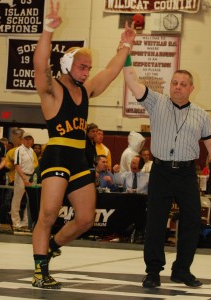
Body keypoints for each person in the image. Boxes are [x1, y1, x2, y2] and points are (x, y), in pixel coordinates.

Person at [32, 0, 136, 289]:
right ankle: (40, 272)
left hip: (79, 156)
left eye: (88, 67)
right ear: (66, 64)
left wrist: (125, 47)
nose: (87, 71)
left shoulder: (86, 90)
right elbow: (40, 66)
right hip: (56, 154)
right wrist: (47, 31)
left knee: (87, 219)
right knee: (49, 213)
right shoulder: (52, 90)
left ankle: (50, 245)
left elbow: (110, 72)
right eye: (82, 66)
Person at [124, 57, 211, 288]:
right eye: (174, 82)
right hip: (161, 171)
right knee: (155, 222)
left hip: (186, 174)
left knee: (192, 221)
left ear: (191, 88)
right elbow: (132, 82)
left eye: (183, 84)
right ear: (169, 85)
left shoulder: (202, 115)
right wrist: (125, 52)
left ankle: (181, 270)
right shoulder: (156, 102)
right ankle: (153, 272)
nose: (178, 87)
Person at [10, 132, 38, 231]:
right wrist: (24, 178)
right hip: (21, 176)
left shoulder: (32, 151)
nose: (28, 141)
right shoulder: (19, 150)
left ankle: (26, 221)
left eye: (30, 139)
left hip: (30, 177)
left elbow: (34, 166)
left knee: (30, 201)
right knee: (17, 199)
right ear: (22, 140)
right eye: (26, 139)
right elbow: (17, 165)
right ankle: (16, 222)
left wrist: (32, 179)